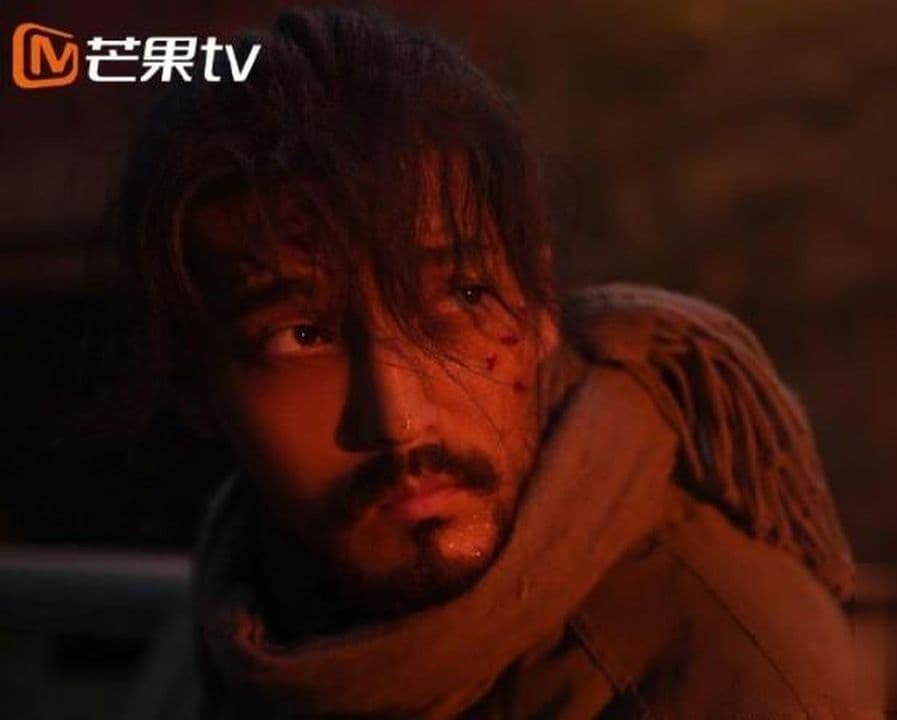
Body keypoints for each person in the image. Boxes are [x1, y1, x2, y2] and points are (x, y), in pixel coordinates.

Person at [111, 7, 858, 718]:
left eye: (462, 296)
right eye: (301, 335)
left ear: (539, 306)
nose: (398, 420)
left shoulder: (721, 664)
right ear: (197, 385)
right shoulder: (246, 598)